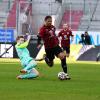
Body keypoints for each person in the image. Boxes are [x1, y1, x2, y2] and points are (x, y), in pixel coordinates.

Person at [37, 15, 70, 80]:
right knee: (51, 64)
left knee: (63, 57)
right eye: (48, 21)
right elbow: (39, 36)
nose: (50, 22)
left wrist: (56, 40)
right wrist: (39, 43)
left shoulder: (53, 27)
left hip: (55, 46)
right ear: (45, 21)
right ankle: (46, 57)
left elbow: (53, 35)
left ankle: (66, 74)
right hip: (48, 48)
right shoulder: (42, 29)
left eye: (51, 21)